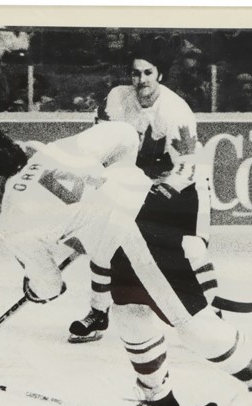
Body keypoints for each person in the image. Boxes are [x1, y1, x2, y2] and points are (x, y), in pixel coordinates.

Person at [0, 123, 252, 406]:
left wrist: (33, 290)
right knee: (130, 313)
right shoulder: (54, 151)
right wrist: (112, 188)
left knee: (195, 326)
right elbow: (124, 134)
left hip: (138, 233)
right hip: (154, 206)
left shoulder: (12, 217)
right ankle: (159, 402)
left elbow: (49, 286)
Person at [68, 41, 217, 345]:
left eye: (148, 72)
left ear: (160, 74)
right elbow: (99, 146)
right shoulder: (117, 99)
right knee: (105, 242)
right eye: (136, 73)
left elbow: (186, 169)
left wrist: (152, 197)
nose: (142, 80)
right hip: (135, 181)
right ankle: (98, 312)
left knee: (190, 250)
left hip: (184, 185)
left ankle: (209, 317)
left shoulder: (176, 111)